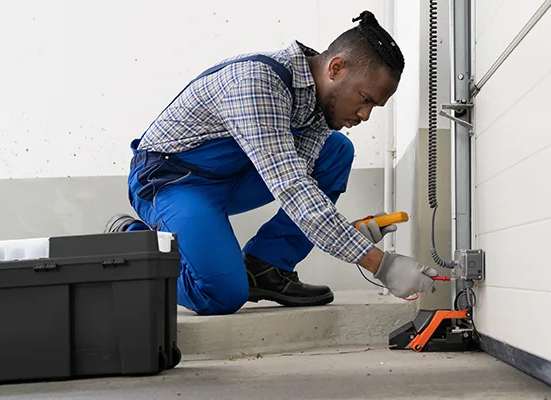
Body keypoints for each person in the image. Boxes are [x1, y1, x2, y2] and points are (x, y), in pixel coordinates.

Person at [105, 11, 437, 315]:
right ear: (337, 68)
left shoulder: (320, 105)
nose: (365, 115)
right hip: (173, 182)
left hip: (233, 177)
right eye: (365, 100)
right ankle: (133, 243)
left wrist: (349, 235)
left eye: (374, 107)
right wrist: (382, 265)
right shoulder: (257, 82)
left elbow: (303, 185)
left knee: (336, 151)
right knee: (221, 294)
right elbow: (292, 189)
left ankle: (266, 266)